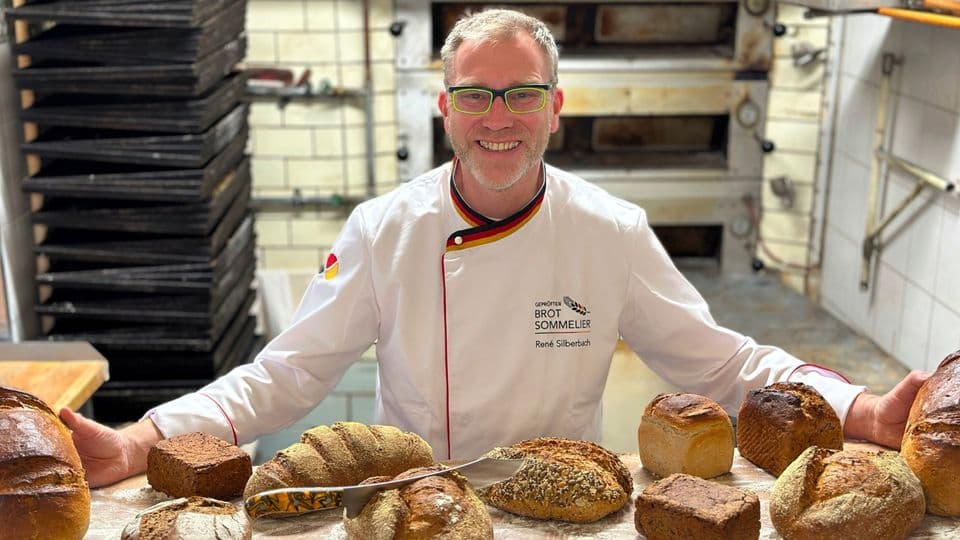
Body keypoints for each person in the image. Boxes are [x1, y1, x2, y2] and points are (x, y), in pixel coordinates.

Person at [61, 9, 929, 489]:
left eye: (522, 95)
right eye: (475, 95)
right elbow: (285, 374)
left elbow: (727, 364)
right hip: (418, 504)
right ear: (446, 110)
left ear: (556, 108)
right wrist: (142, 440)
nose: (498, 118)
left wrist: (860, 411)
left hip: (564, 503)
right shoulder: (384, 230)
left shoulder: (610, 231)